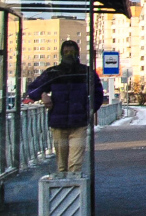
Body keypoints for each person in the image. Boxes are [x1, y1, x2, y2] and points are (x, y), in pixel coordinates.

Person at [25, 40, 104, 176]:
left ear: (77, 53)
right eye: (66, 52)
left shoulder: (85, 73)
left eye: (72, 52)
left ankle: (74, 192)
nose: (69, 55)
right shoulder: (54, 73)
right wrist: (43, 94)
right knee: (62, 165)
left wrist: (89, 111)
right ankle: (64, 190)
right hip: (58, 123)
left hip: (79, 123)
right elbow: (32, 89)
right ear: (61, 54)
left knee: (75, 164)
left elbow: (98, 94)